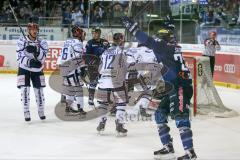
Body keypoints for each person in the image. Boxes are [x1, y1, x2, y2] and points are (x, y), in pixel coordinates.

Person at [121, 16, 197, 160]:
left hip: (181, 86)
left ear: (164, 38)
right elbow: (169, 34)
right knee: (160, 114)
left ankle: (190, 152)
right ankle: (168, 146)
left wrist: (132, 28)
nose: (157, 39)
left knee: (181, 117)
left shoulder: (163, 46)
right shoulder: (173, 45)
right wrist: (169, 24)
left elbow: (146, 39)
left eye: (160, 37)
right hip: (174, 86)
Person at [96, 33, 128, 137]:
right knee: (121, 103)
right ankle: (119, 125)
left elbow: (99, 69)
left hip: (103, 80)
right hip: (116, 80)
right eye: (123, 40)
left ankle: (101, 123)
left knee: (103, 104)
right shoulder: (121, 51)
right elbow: (124, 67)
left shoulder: (105, 51)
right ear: (120, 40)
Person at [16, 22, 48, 122]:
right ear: (28, 31)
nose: (34, 31)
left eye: (36, 29)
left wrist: (37, 51)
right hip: (24, 68)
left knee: (39, 91)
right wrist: (30, 62)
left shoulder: (42, 42)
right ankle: (26, 111)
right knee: (24, 91)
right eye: (32, 29)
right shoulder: (22, 40)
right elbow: (19, 57)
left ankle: (41, 110)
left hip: (37, 70)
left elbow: (44, 57)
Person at [57, 25, 87, 115]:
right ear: (78, 34)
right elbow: (77, 58)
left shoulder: (67, 41)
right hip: (71, 68)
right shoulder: (77, 43)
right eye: (82, 33)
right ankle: (80, 109)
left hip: (63, 67)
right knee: (78, 88)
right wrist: (83, 68)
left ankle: (68, 107)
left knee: (69, 88)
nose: (83, 35)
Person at [85, 27, 110, 106]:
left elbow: (110, 54)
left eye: (95, 33)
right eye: (93, 33)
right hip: (93, 66)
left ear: (99, 33)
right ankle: (91, 98)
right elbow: (87, 56)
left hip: (104, 67)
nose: (94, 34)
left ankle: (107, 99)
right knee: (93, 83)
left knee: (106, 83)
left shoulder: (105, 42)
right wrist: (90, 64)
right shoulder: (90, 43)